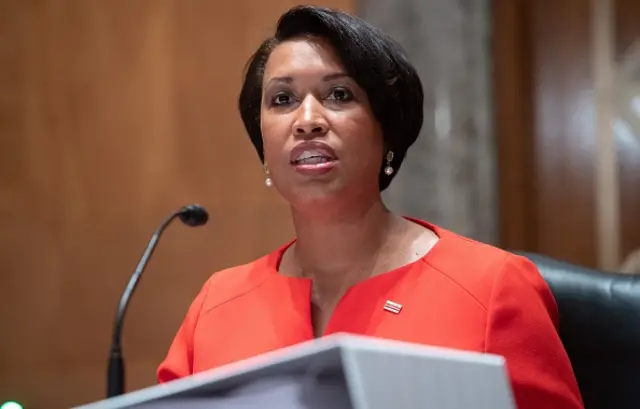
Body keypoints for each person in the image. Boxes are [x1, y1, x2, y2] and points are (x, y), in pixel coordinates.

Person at [157, 5, 584, 409]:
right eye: (282, 99)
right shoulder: (217, 305)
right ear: (262, 144)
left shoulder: (493, 288)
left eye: (339, 94)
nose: (307, 120)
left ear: (387, 132)